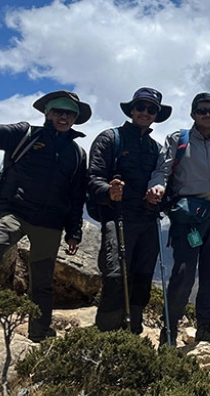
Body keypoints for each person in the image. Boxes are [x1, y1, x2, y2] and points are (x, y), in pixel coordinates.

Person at [0, 88, 89, 342]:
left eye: (70, 114)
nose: (64, 117)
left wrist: (74, 231)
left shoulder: (77, 154)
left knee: (42, 278)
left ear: (76, 119)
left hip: (50, 221)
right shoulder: (24, 134)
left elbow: (77, 195)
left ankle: (40, 331)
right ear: (47, 112)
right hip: (14, 210)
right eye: (58, 111)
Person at [145, 92, 210, 346]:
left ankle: (205, 327)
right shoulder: (179, 139)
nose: (207, 115)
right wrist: (157, 187)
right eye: (202, 111)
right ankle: (169, 331)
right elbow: (162, 170)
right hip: (189, 217)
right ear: (192, 114)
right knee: (183, 274)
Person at [89, 87, 170, 335]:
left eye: (151, 109)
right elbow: (93, 177)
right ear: (132, 110)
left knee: (143, 279)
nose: (145, 112)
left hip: (147, 220)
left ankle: (133, 332)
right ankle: (107, 334)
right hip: (117, 217)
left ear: (156, 115)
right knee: (116, 276)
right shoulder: (109, 139)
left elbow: (164, 181)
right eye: (141, 107)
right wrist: (108, 191)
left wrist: (157, 197)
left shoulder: (156, 149)